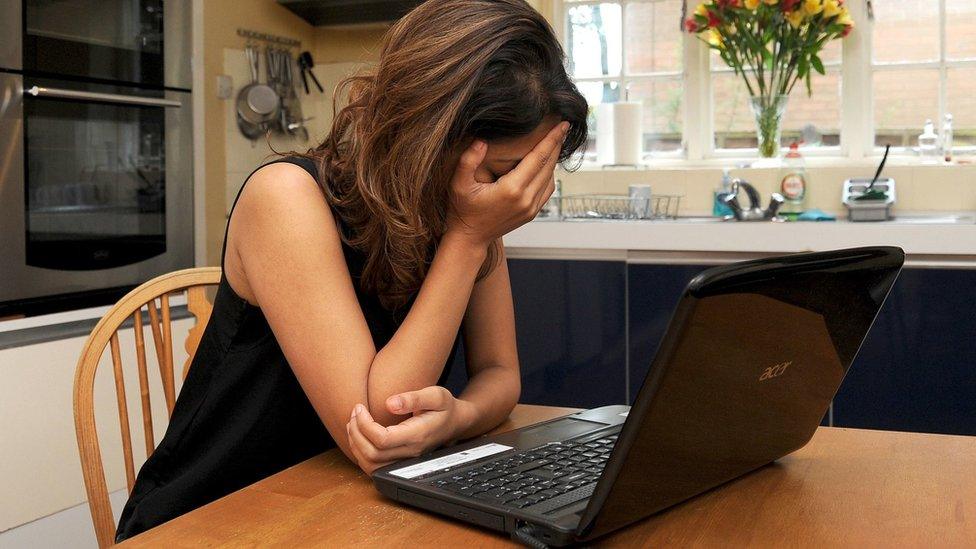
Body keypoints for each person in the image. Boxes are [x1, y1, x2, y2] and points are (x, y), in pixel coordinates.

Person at [115, 0, 587, 540]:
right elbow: (380, 424)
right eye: (506, 171)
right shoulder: (287, 199)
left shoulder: (462, 207)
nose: (514, 196)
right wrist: (470, 236)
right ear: (427, 137)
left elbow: (501, 373)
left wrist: (458, 416)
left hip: (343, 508)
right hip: (214, 518)